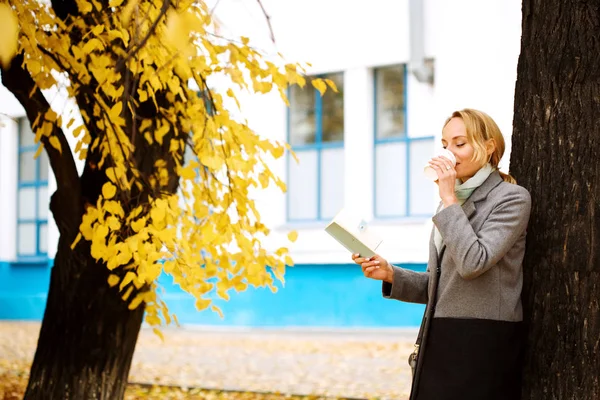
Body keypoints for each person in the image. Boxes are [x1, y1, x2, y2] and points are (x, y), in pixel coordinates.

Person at [352, 108, 531, 400]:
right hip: (442, 334)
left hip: (482, 340)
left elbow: (474, 263)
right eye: (445, 145)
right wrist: (391, 273)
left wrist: (448, 198)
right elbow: (440, 285)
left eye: (460, 143)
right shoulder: (452, 205)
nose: (449, 152)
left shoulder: (511, 198)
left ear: (488, 147)